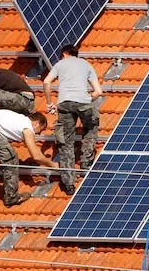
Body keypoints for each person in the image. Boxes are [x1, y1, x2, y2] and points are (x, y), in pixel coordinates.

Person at [42, 44, 103, 194]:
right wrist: (88, 99)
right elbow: (99, 91)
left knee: (65, 142)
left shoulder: (60, 64)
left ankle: (69, 183)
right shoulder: (86, 65)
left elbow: (46, 82)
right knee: (91, 127)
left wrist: (50, 103)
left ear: (64, 54)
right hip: (83, 103)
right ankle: (85, 162)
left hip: (64, 104)